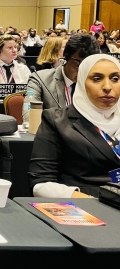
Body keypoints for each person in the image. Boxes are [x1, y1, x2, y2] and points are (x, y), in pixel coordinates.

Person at [29, 55, 120, 197]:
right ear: (82, 81)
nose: (107, 87)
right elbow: (41, 183)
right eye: (97, 79)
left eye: (115, 79)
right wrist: (91, 201)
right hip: (86, 206)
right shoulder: (57, 121)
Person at [23, 34, 99, 125]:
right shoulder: (40, 79)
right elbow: (30, 116)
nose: (84, 71)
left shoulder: (98, 83)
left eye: (89, 65)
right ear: (65, 57)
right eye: (79, 63)